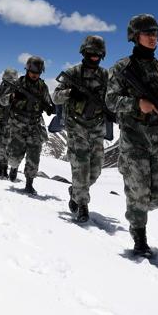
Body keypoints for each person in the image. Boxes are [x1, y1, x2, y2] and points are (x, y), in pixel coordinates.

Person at [106, 14, 158, 257]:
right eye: (148, 33)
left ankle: (136, 208)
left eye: (156, 33)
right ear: (135, 36)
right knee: (138, 191)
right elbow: (110, 100)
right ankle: (139, 236)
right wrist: (137, 104)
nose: (153, 37)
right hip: (134, 140)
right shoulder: (122, 68)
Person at [53, 35, 110, 223]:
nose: (94, 56)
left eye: (97, 53)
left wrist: (111, 110)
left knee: (95, 171)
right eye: (91, 53)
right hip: (76, 127)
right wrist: (70, 92)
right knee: (81, 169)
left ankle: (74, 191)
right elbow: (55, 97)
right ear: (84, 52)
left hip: (97, 128)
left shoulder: (105, 76)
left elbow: (112, 97)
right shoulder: (73, 74)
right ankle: (83, 206)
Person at [6, 56, 54, 195]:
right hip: (17, 125)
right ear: (27, 69)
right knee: (14, 156)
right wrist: (13, 97)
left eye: (38, 73)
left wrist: (49, 108)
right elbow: (3, 100)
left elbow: (47, 102)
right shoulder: (18, 84)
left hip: (35, 125)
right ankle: (14, 168)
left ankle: (29, 184)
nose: (35, 75)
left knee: (34, 156)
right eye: (33, 72)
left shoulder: (42, 86)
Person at [0, 68, 18, 178]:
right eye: (9, 79)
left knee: (9, 148)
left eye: (12, 79)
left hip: (11, 123)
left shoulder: (18, 90)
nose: (11, 81)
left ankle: (5, 169)